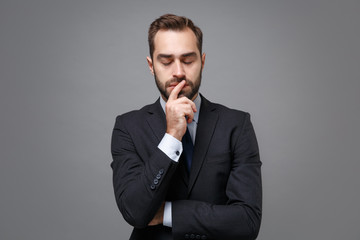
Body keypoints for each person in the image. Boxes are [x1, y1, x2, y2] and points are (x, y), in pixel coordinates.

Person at [111, 14, 262, 240]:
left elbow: (247, 221)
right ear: (151, 65)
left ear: (202, 61)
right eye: (166, 61)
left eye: (188, 60)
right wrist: (172, 136)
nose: (179, 71)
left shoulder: (237, 125)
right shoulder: (127, 127)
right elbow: (135, 211)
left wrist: (168, 213)